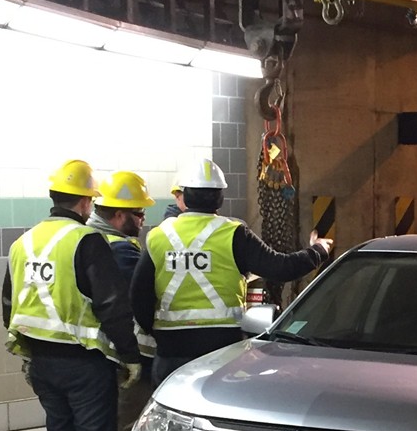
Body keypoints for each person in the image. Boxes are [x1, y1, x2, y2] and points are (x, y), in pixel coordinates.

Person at [3, 160, 143, 431]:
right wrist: (130, 356)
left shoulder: (23, 243)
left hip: (42, 363)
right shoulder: (86, 242)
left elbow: (10, 305)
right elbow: (113, 306)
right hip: (85, 364)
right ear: (85, 201)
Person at [132, 156, 331, 384]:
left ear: (183, 195)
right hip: (223, 349)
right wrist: (318, 250)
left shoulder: (158, 235)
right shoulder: (234, 233)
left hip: (172, 351)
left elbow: (139, 295)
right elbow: (282, 268)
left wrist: (157, 331)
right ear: (220, 197)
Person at [88, 169, 156, 431]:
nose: (144, 220)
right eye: (138, 214)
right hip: (120, 357)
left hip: (96, 357)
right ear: (117, 215)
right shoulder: (120, 252)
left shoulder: (89, 240)